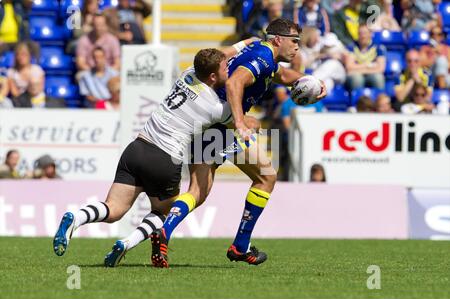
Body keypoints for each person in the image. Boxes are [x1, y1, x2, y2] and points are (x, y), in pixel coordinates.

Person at [52, 40, 258, 259]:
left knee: (113, 209)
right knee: (167, 211)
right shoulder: (217, 108)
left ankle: (77, 216)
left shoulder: (188, 74)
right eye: (226, 68)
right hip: (165, 158)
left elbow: (220, 56)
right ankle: (127, 242)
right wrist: (256, 124)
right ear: (213, 77)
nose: (230, 69)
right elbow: (242, 122)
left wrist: (245, 43)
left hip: (137, 148)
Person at [146, 18, 327, 268]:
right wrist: (240, 122)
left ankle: (165, 230)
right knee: (266, 177)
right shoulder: (262, 57)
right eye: (294, 41)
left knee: (197, 192)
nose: (297, 47)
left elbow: (282, 75)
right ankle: (240, 246)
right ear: (277, 40)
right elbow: (234, 82)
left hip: (207, 126)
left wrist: (311, 81)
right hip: (225, 125)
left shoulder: (264, 56)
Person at [344, 25, 386, 90]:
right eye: (360, 33)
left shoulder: (378, 47)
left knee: (378, 78)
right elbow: (349, 67)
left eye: (365, 33)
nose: (363, 36)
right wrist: (368, 65)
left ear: (370, 34)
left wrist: (358, 68)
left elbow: (380, 68)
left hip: (371, 75)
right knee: (357, 79)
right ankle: (357, 99)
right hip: (356, 76)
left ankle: (379, 99)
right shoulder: (351, 47)